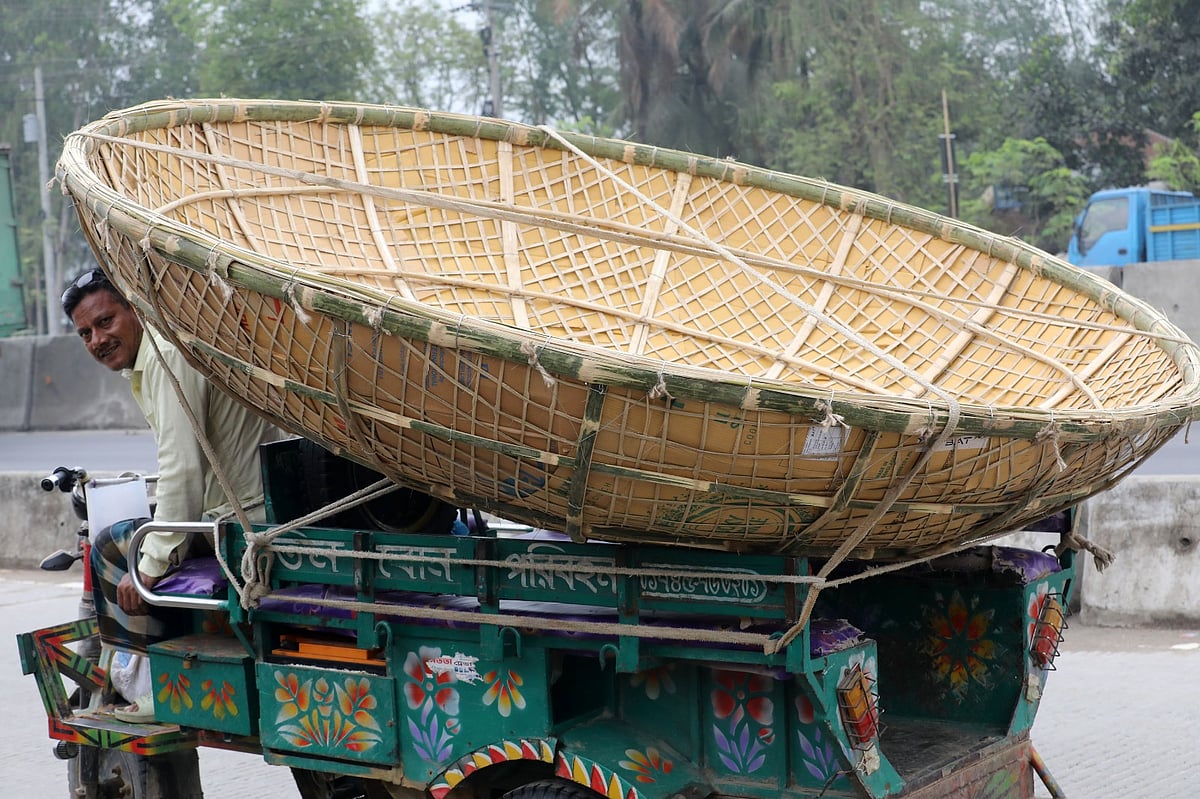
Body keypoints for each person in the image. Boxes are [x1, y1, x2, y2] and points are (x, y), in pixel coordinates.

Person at [62, 268, 284, 721]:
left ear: (134, 307)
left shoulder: (165, 355)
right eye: (85, 333)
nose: (97, 340)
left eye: (105, 322)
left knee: (114, 547)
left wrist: (145, 567)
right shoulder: (166, 345)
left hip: (242, 521)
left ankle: (152, 688)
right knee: (147, 536)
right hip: (252, 505)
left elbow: (182, 469)